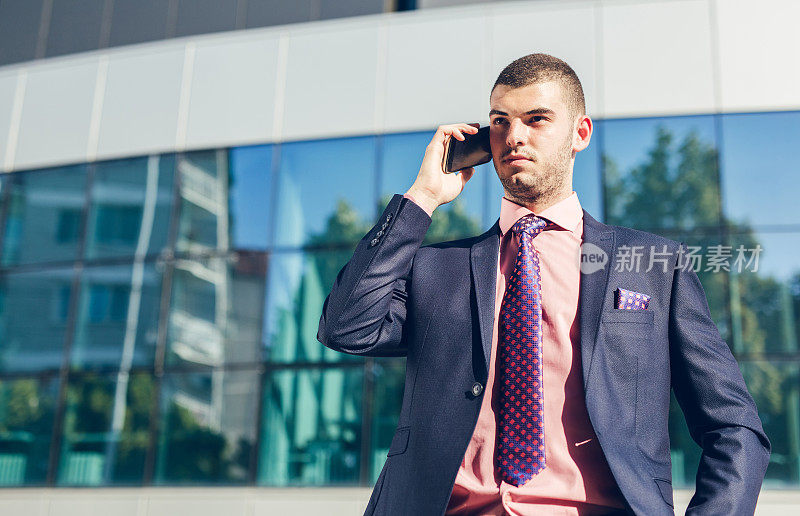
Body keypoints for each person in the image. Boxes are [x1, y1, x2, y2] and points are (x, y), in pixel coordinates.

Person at [316, 53, 770, 515]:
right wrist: (422, 198)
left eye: (536, 120)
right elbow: (346, 328)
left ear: (580, 133)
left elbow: (733, 427)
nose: (514, 137)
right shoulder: (436, 268)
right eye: (500, 121)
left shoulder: (654, 266)